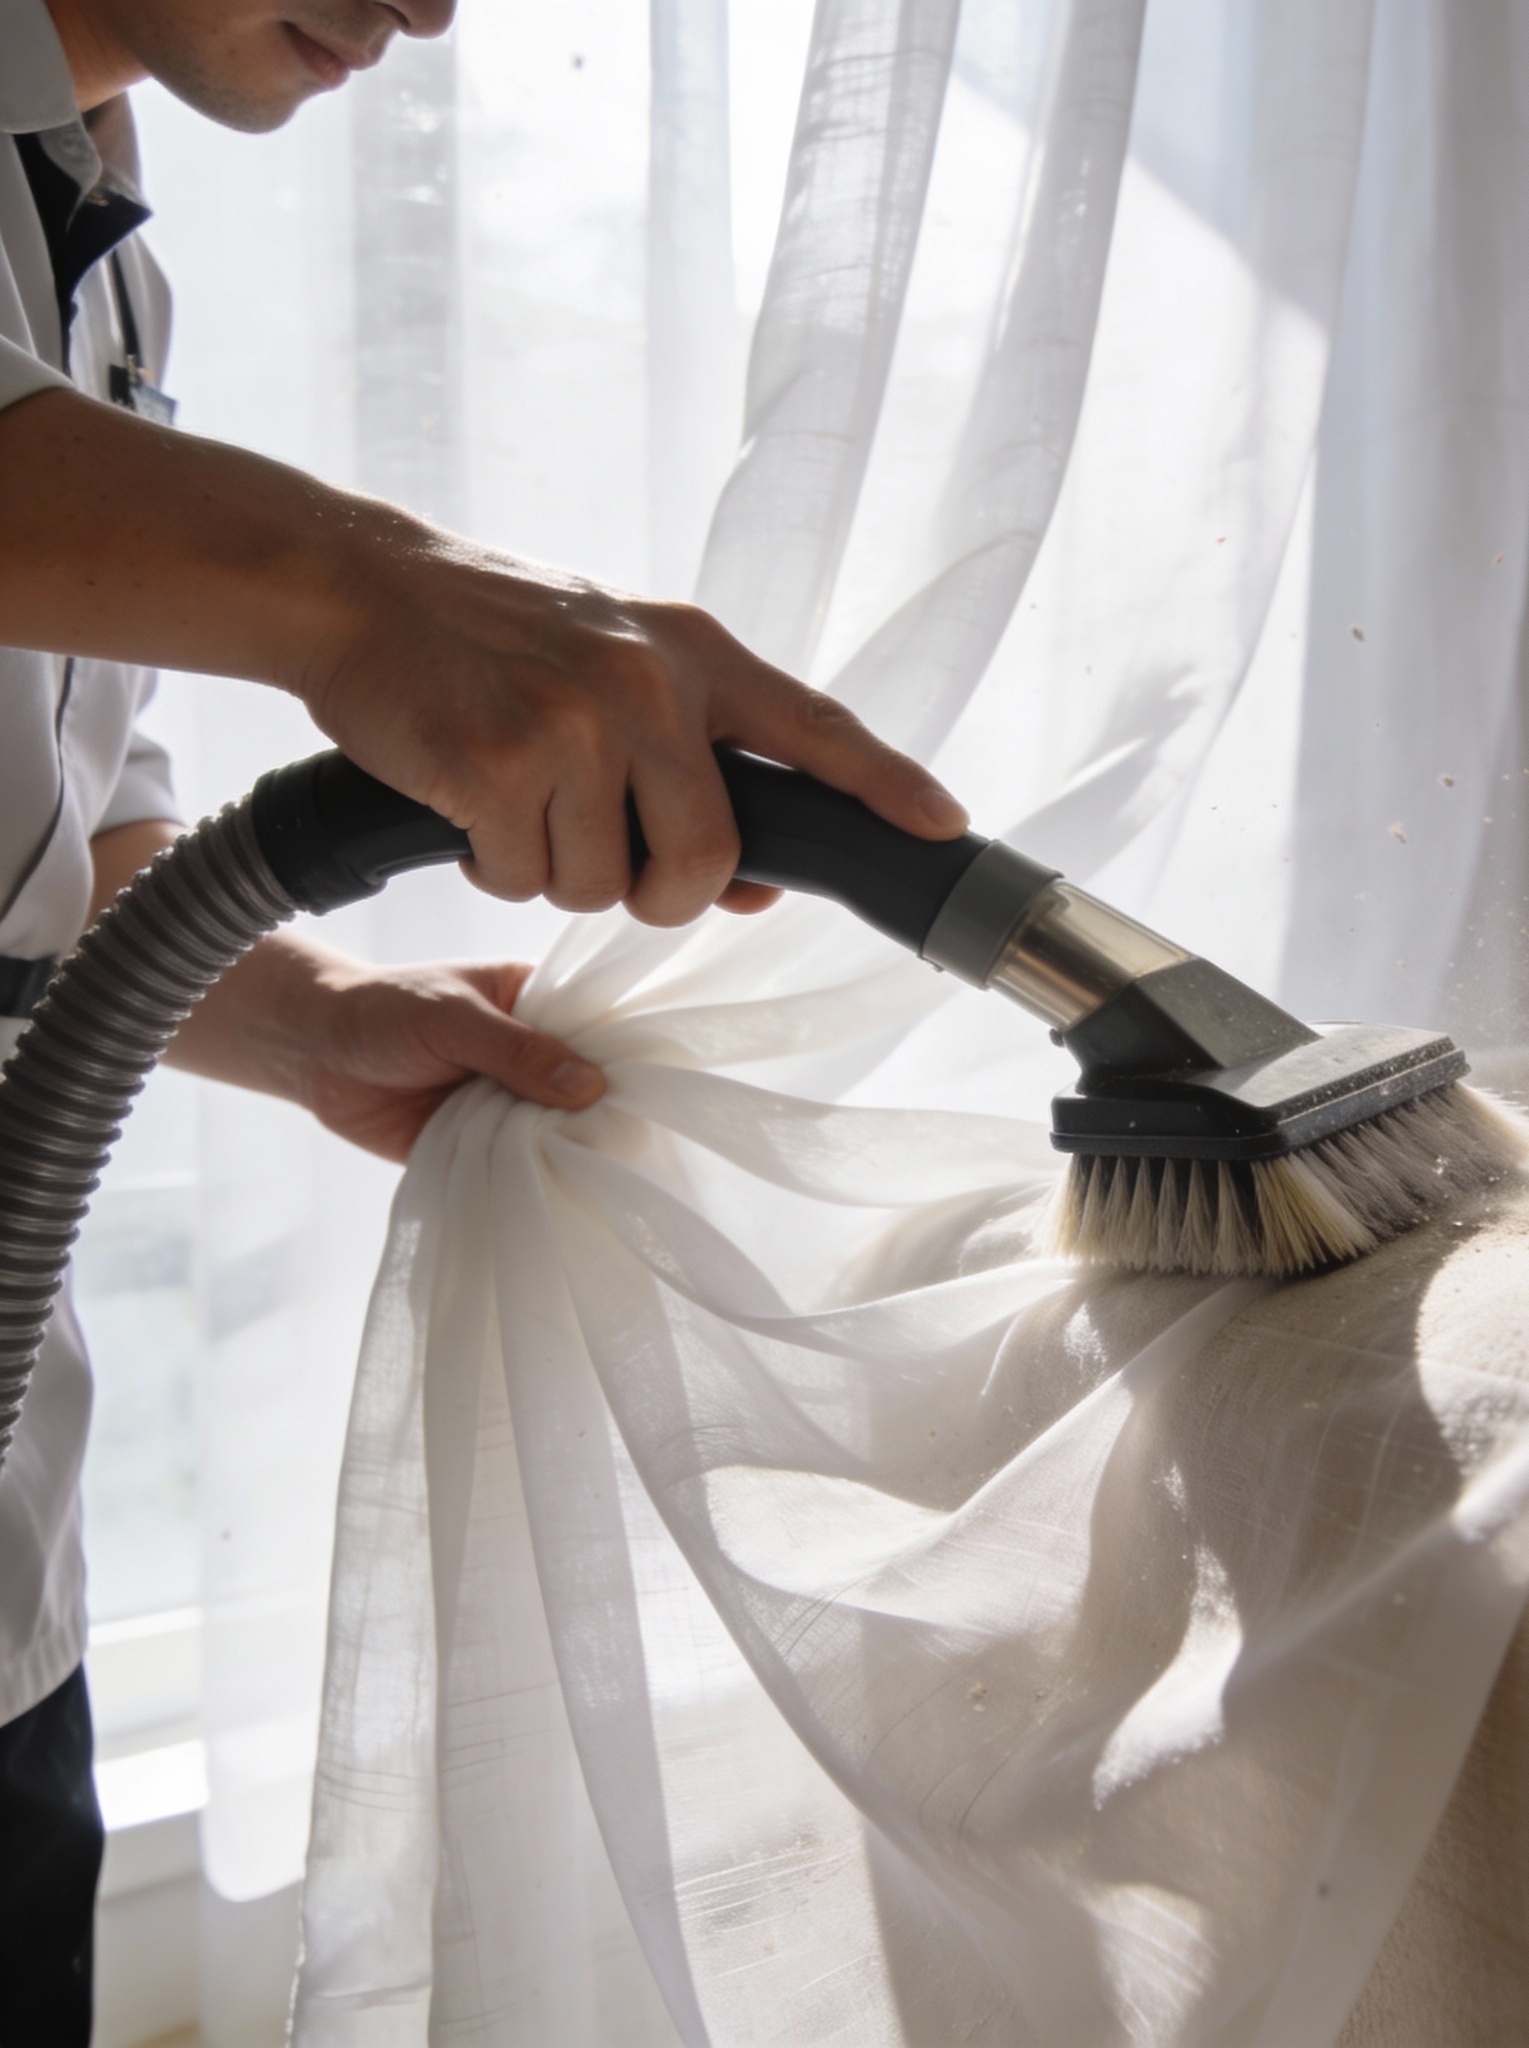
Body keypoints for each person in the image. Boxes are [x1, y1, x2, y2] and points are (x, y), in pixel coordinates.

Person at [0, 0, 969, 2034]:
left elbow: (69, 832)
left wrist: (309, 1008)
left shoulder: (96, 249)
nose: (435, 8)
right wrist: (374, 592)